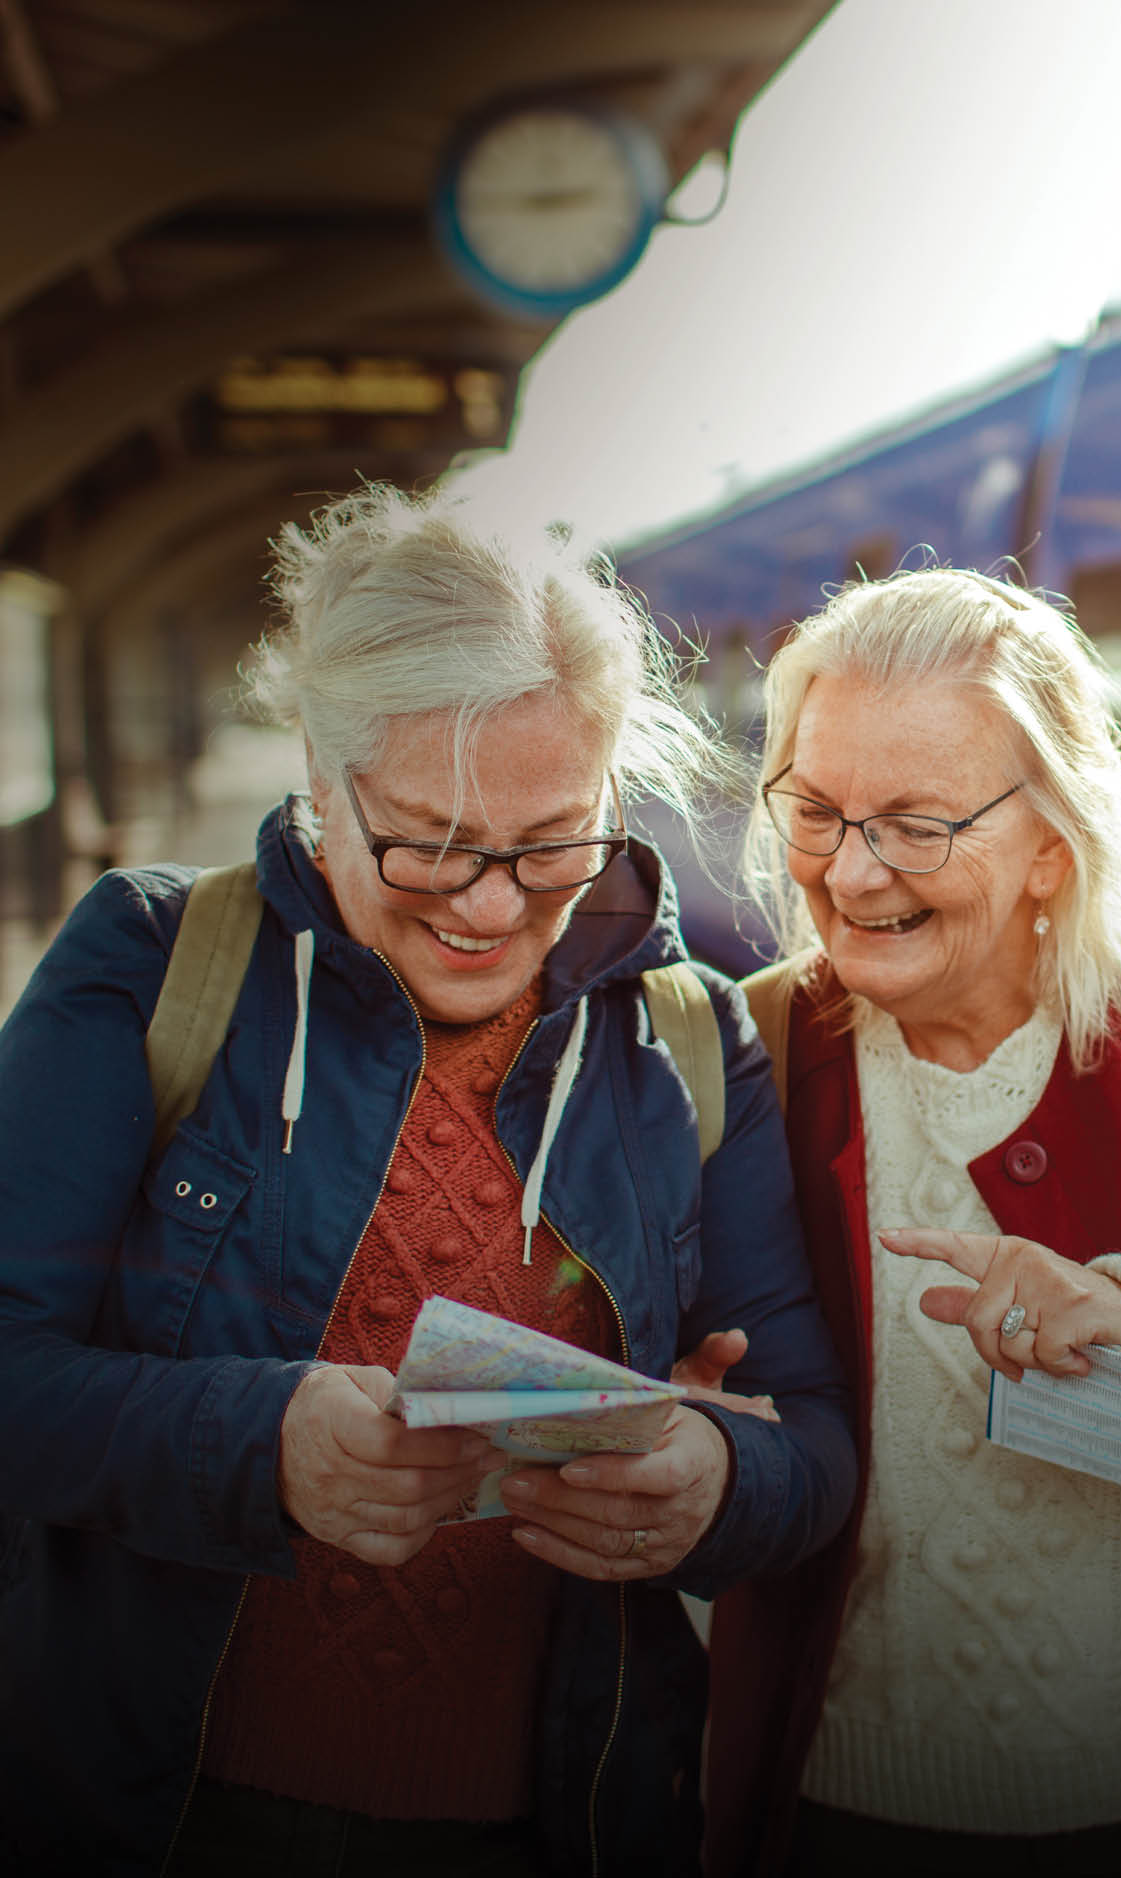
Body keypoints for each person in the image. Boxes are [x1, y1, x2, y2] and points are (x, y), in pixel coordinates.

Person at [0, 484, 855, 1878]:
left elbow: (813, 1433)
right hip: (164, 1816)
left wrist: (715, 1473)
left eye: (549, 841)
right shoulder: (154, 968)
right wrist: (259, 1438)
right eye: (426, 841)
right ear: (320, 781)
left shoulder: (687, 1043)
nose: (490, 906)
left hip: (557, 1825)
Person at [705, 568, 1121, 1878]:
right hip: (828, 1804)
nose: (849, 872)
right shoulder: (740, 1050)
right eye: (815, 809)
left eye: (914, 823)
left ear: (1053, 838)